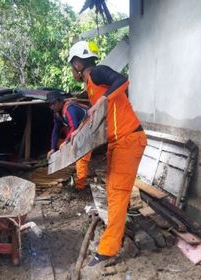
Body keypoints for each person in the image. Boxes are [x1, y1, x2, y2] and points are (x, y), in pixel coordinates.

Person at [67, 41, 147, 266]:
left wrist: (103, 99)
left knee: (117, 193)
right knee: (113, 189)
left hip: (129, 139)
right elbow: (93, 116)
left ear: (78, 64)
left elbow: (122, 80)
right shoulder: (91, 86)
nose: (72, 71)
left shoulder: (99, 72)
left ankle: (108, 249)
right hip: (118, 142)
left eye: (72, 67)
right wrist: (77, 132)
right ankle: (119, 229)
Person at [46, 90, 92, 190]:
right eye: (49, 104)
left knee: (82, 157)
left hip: (88, 127)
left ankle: (80, 187)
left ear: (59, 101)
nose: (52, 106)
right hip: (78, 131)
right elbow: (56, 130)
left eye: (53, 103)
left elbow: (74, 127)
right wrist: (53, 148)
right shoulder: (57, 114)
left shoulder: (69, 109)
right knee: (62, 145)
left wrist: (66, 142)